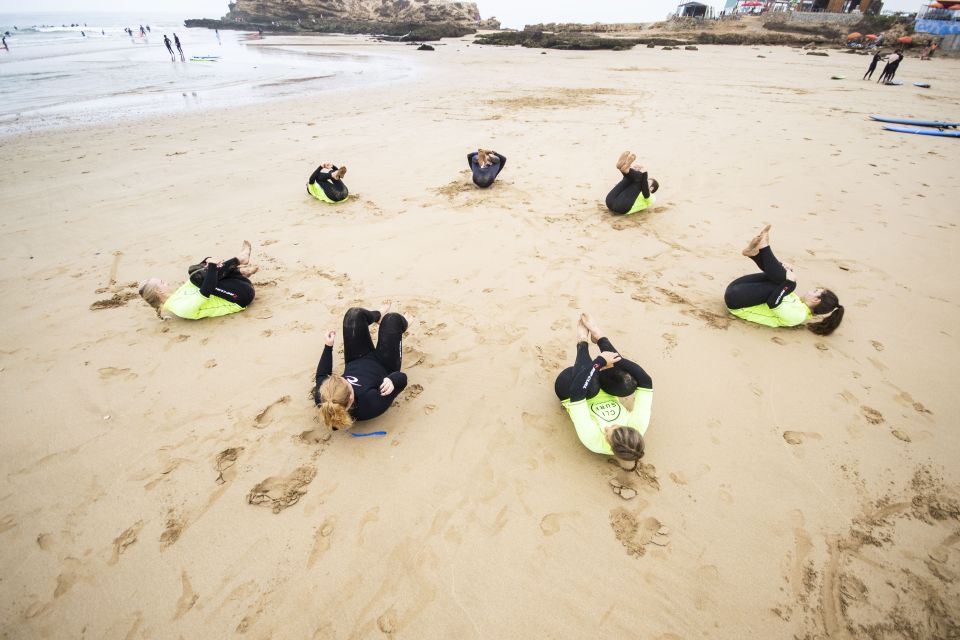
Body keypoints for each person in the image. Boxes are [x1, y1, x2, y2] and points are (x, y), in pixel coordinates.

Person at [555, 313, 653, 470]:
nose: (607, 427)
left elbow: (577, 394)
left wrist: (598, 363)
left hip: (571, 387)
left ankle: (582, 341)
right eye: (615, 426)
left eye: (607, 432)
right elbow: (646, 382)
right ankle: (599, 336)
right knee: (627, 383)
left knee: (591, 389)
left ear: (610, 447)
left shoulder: (593, 441)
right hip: (605, 385)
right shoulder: (638, 427)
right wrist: (616, 360)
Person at [724, 225, 844, 335]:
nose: (810, 290)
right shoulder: (797, 302)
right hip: (737, 288)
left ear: (816, 300)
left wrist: (787, 283)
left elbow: (773, 302)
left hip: (737, 302)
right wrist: (786, 271)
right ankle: (754, 254)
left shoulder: (798, 316)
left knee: (789, 283)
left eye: (815, 291)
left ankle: (764, 248)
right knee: (785, 278)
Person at [314, 303, 409, 430]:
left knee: (354, 314)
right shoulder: (371, 403)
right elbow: (402, 379)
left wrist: (328, 346)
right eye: (347, 382)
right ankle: (404, 323)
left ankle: (378, 315)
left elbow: (321, 375)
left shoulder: (324, 397)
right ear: (351, 398)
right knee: (392, 319)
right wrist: (392, 380)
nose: (345, 378)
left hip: (357, 358)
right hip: (385, 365)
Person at [139, 241, 257, 320]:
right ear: (159, 292)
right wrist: (211, 266)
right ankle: (240, 260)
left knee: (193, 271)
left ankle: (241, 272)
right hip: (241, 297)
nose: (167, 283)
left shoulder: (177, 295)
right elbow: (206, 290)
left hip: (237, 285)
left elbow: (199, 275)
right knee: (198, 278)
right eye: (162, 283)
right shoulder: (180, 308)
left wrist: (205, 263)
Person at [605, 151, 659, 215]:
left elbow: (646, 194)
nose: (645, 182)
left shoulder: (652, 198)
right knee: (631, 178)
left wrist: (644, 173)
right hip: (610, 201)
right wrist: (634, 171)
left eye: (647, 182)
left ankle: (625, 168)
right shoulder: (636, 185)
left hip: (621, 207)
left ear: (651, 188)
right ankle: (624, 168)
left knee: (638, 178)